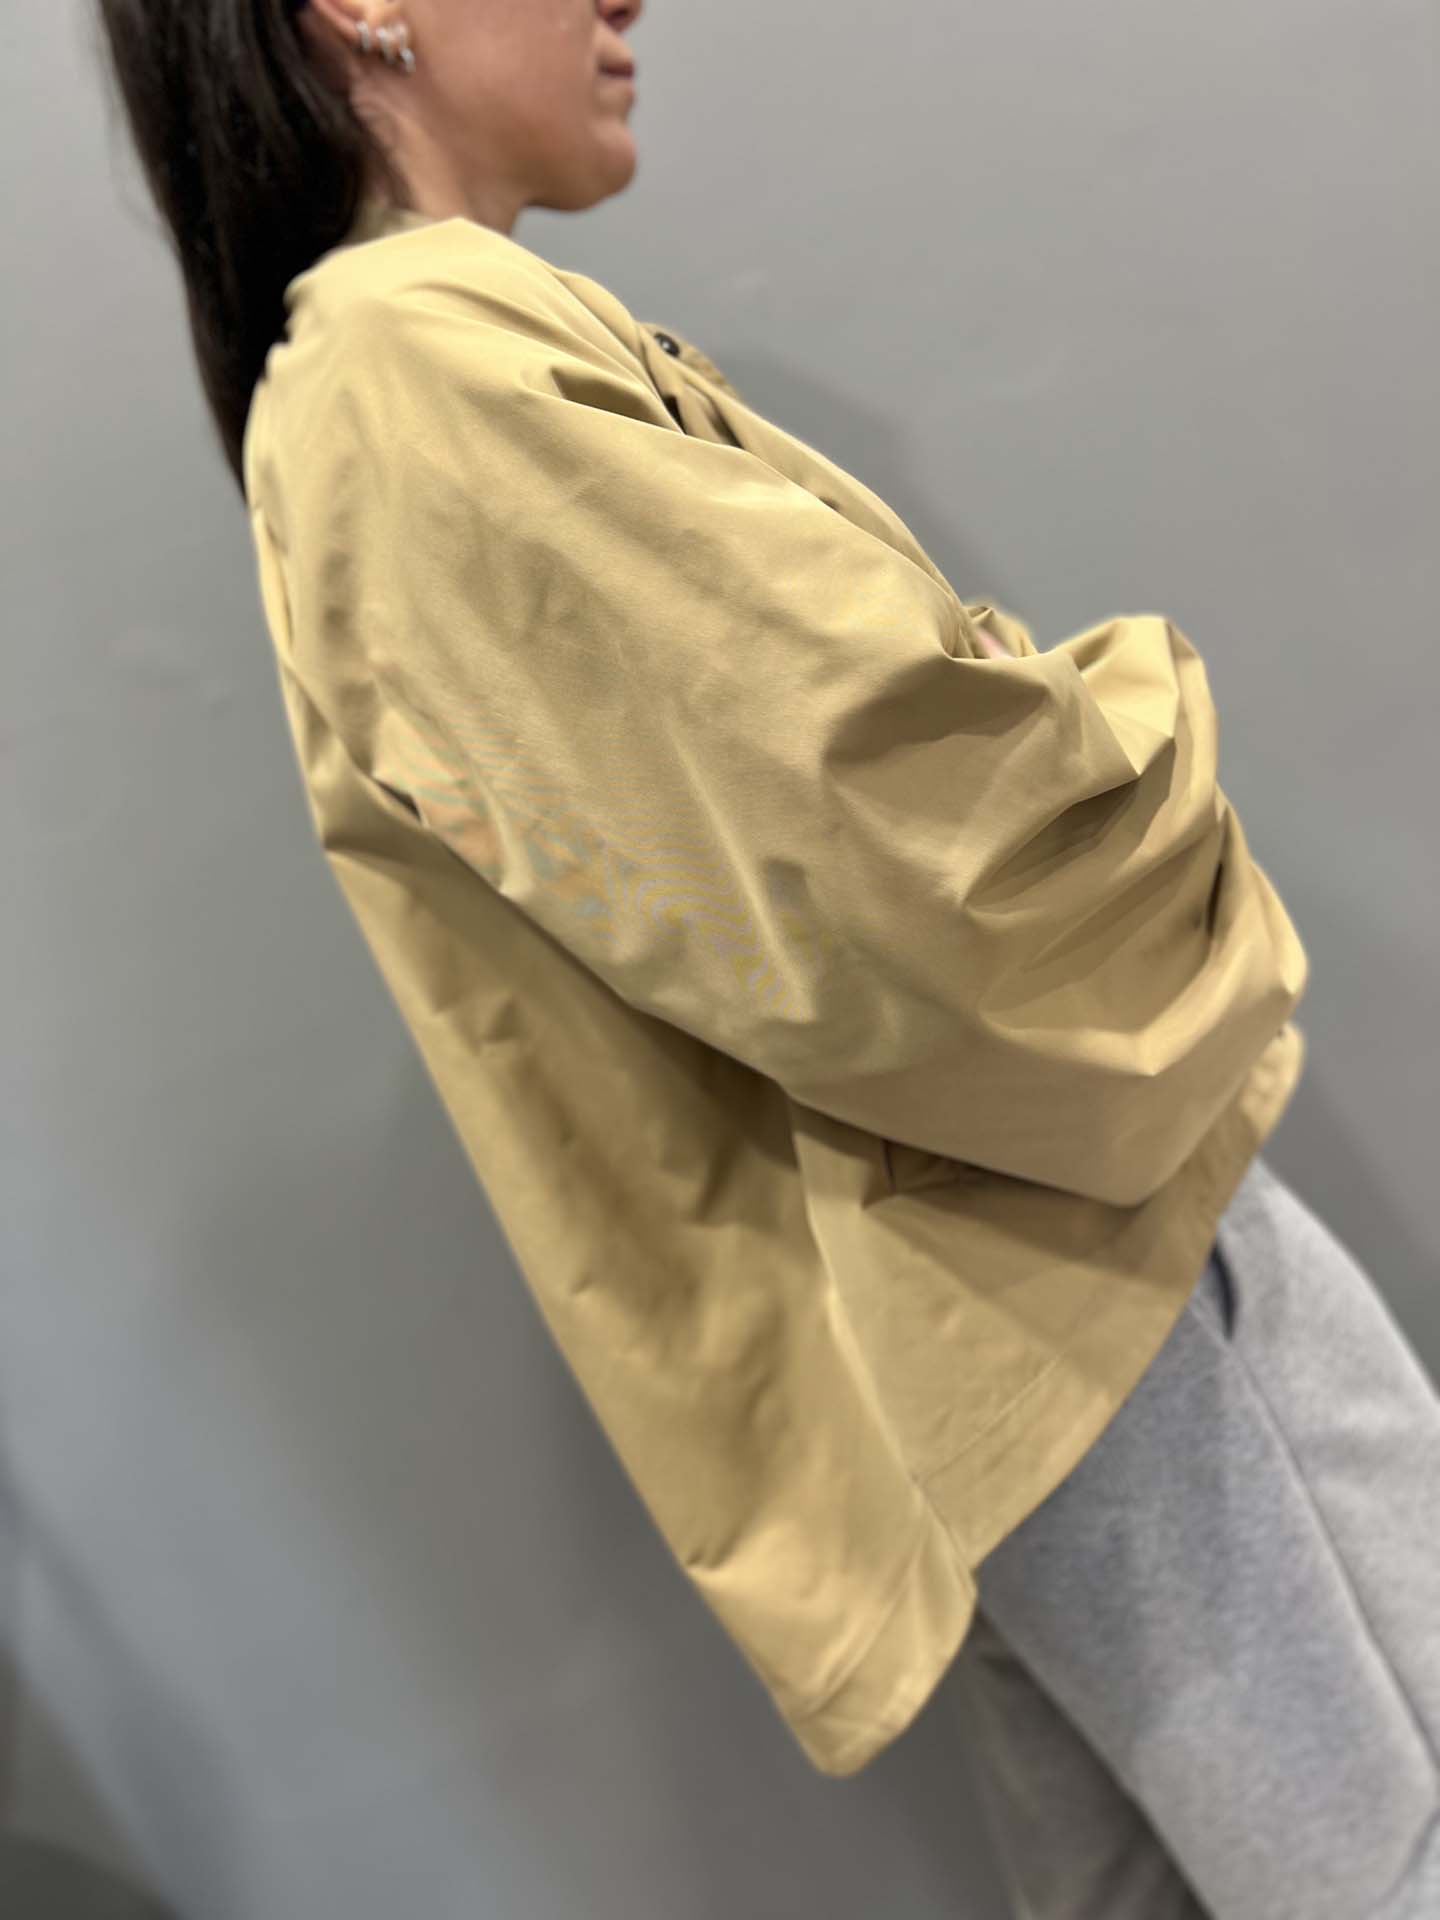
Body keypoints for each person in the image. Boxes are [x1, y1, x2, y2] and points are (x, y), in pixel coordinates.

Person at [90, 2, 1440, 1912]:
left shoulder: (403, 373)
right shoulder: (409, 373)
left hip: (997, 1290)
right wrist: (1150, 723)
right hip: (1054, 1254)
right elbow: (911, 860)